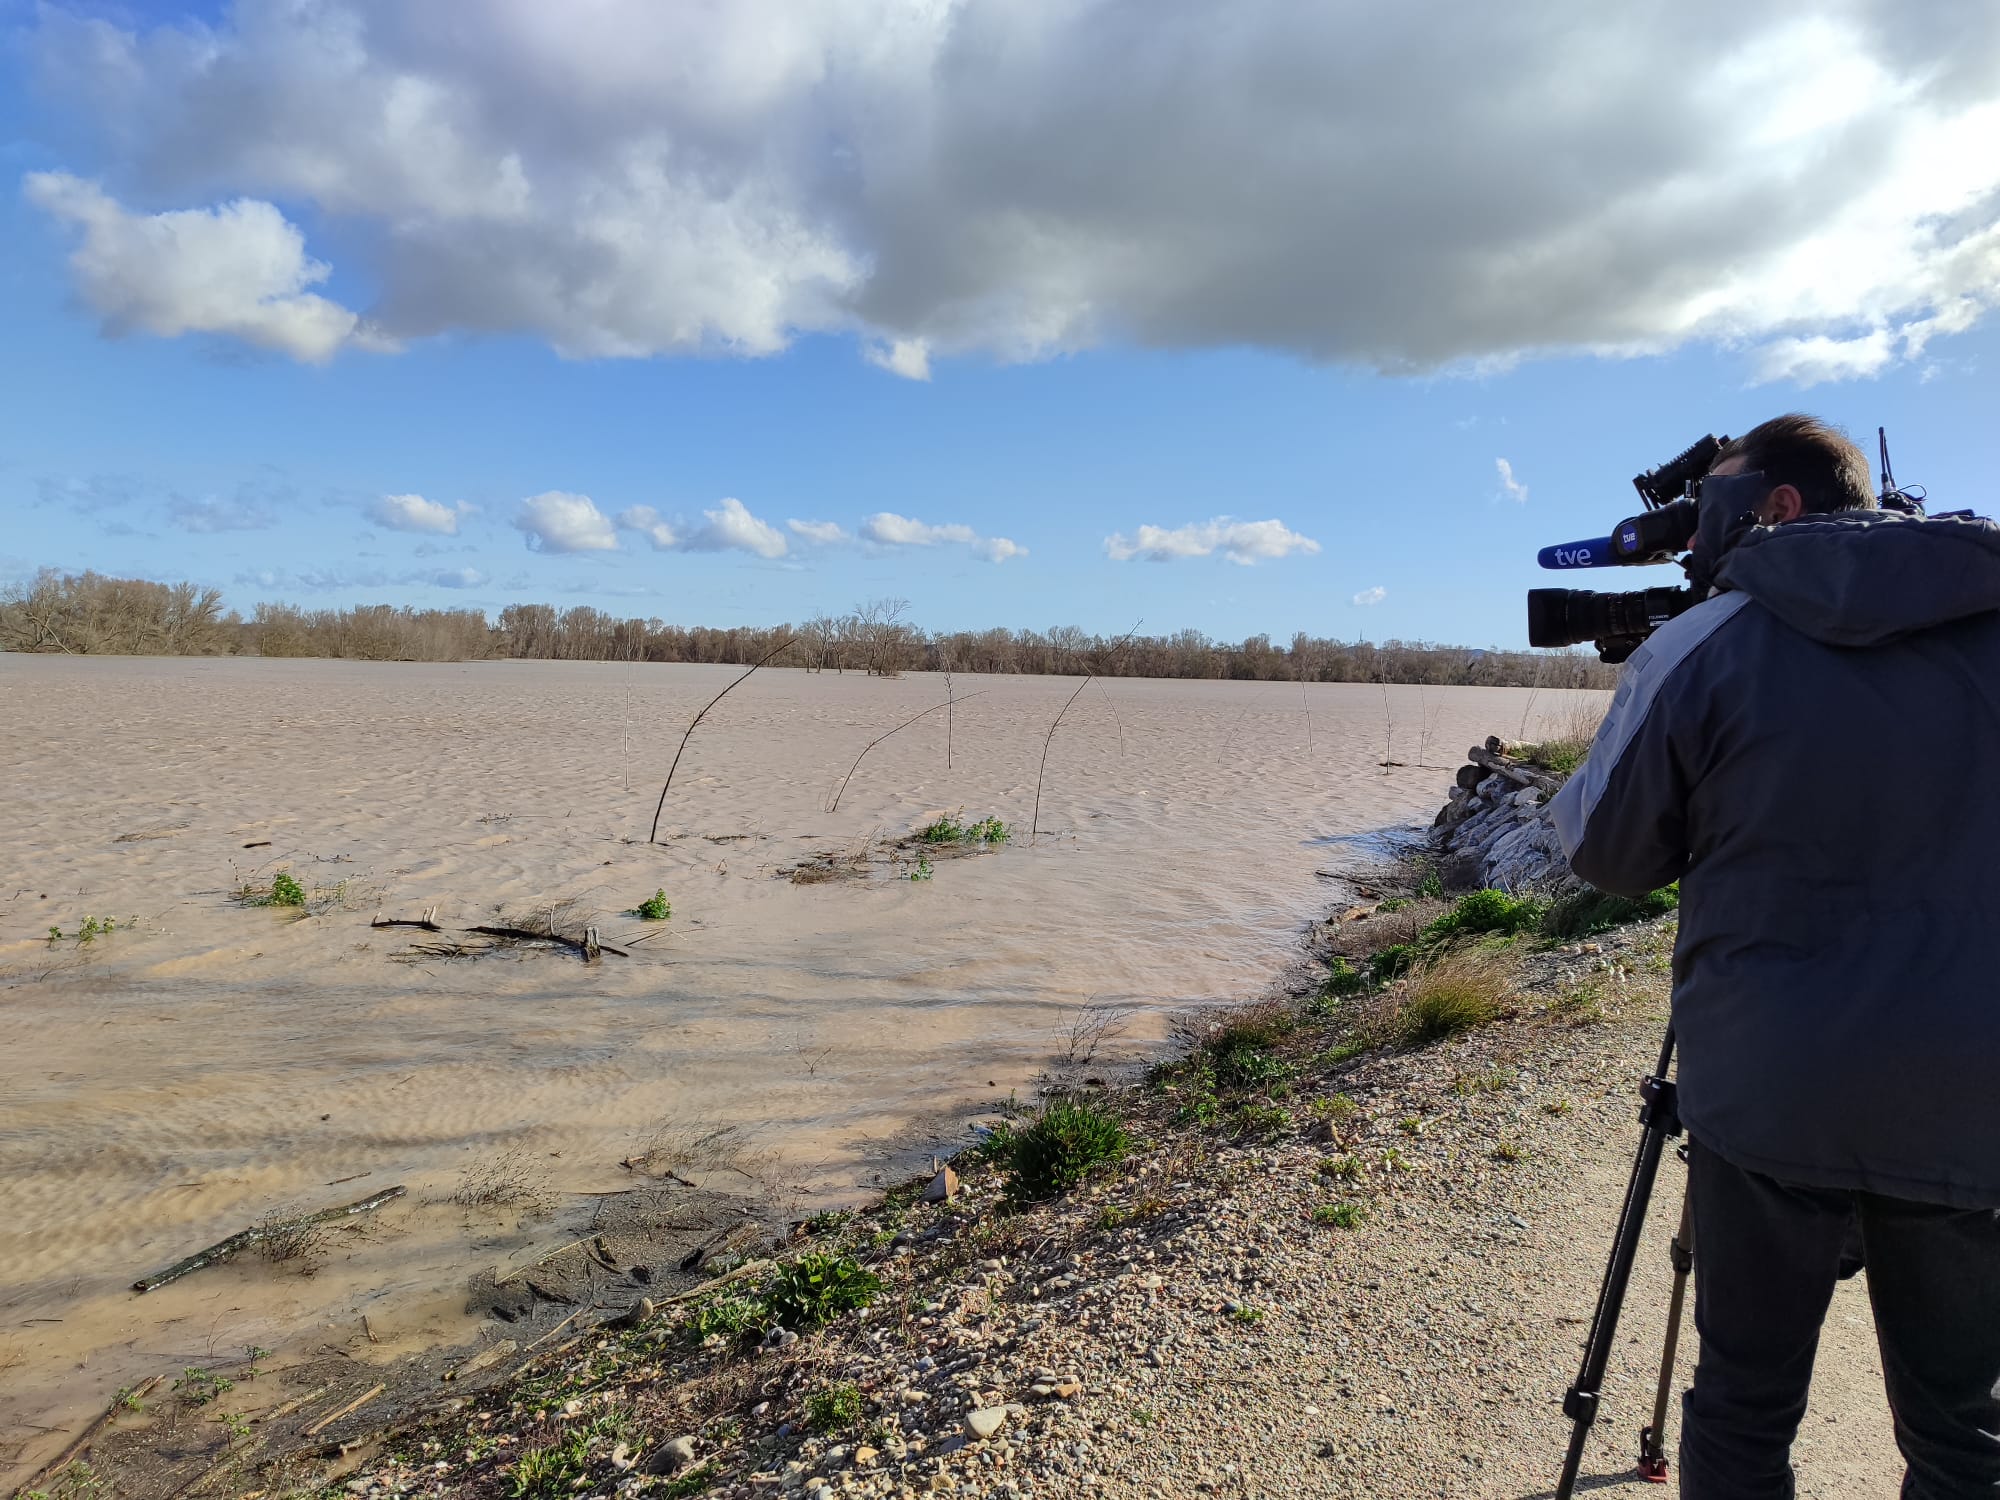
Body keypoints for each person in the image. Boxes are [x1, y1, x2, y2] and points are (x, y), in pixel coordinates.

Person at [1548, 413, 2000, 1499]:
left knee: (1742, 1409)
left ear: (1776, 507)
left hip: (1768, 1088)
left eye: (1706, 507)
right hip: (1971, 1090)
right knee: (1960, 1431)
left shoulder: (1706, 641)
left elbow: (1603, 858)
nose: (1691, 538)